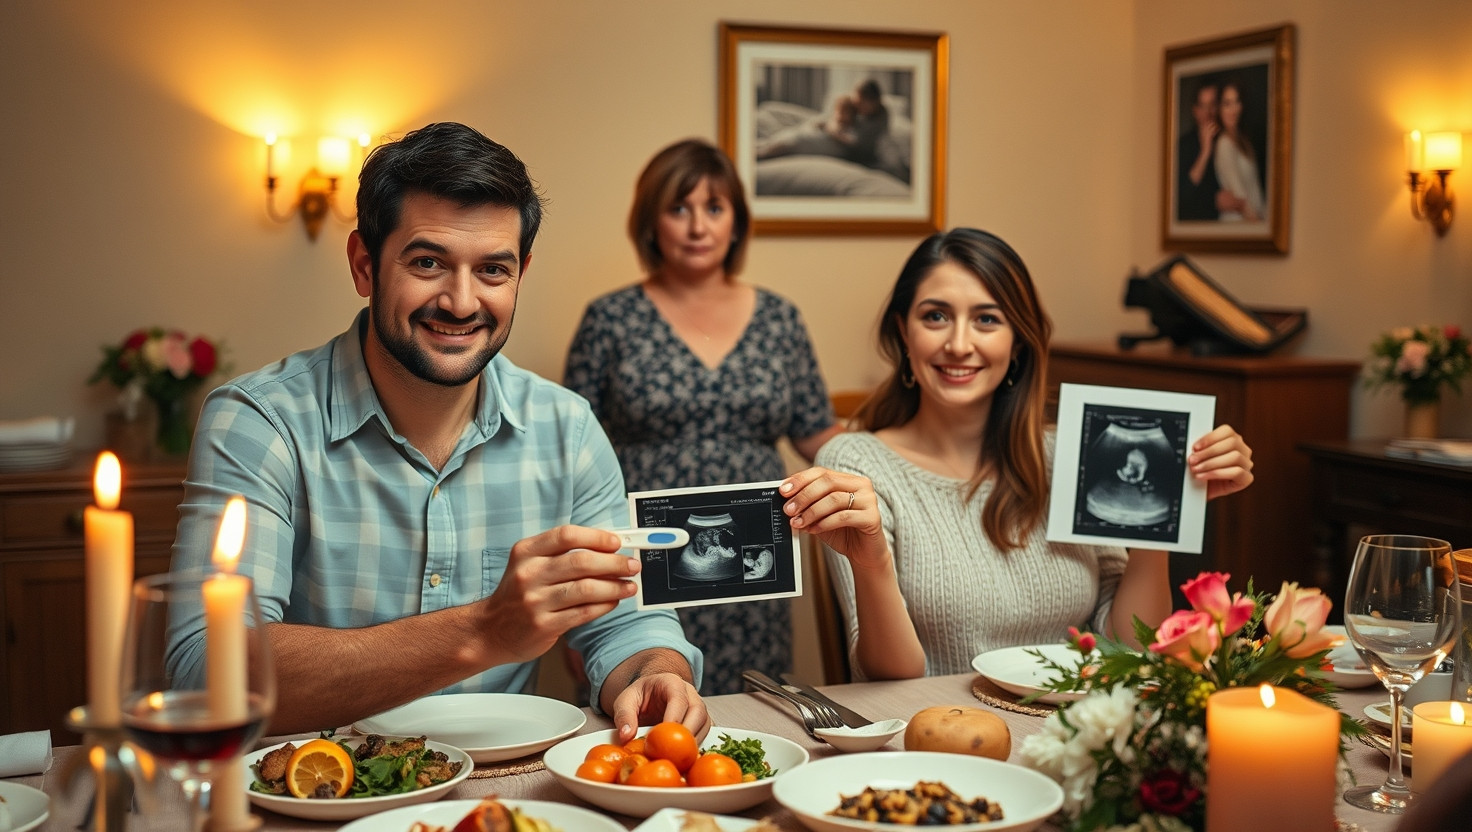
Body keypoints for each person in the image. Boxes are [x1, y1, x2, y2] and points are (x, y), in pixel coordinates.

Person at [167, 122, 706, 740]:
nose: (460, 301)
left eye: (493, 271)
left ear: (521, 273)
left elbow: (625, 625)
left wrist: (656, 672)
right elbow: (205, 674)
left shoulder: (568, 428)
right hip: (317, 793)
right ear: (365, 266)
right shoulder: (259, 422)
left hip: (502, 794)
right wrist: (483, 630)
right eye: (428, 262)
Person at [776, 228, 1255, 680]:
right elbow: (883, 675)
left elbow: (1129, 646)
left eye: (987, 319)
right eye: (935, 316)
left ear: (1018, 341)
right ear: (904, 332)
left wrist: (1158, 515)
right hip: (941, 743)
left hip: (1079, 732)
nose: (959, 344)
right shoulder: (856, 465)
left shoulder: (1071, 453)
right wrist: (874, 557)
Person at [563, 138, 841, 694]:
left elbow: (818, 432)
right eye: (678, 209)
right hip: (647, 561)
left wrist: (908, 448)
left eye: (714, 208)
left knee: (754, 713)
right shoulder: (610, 318)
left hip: (754, 563)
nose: (697, 227)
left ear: (736, 222)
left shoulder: (779, 318)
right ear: (651, 223)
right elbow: (570, 450)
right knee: (646, 706)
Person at [1175, 82, 1246, 222]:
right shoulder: (1185, 144)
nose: (1208, 112)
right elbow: (1182, 195)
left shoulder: (1229, 139)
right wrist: (1205, 152)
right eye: (1203, 106)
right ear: (1195, 110)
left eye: (1212, 104)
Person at [1214, 81, 1266, 222]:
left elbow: (1256, 189)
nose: (1233, 110)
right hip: (1237, 224)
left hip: (1255, 221)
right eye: (1227, 104)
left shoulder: (1245, 142)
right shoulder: (1223, 144)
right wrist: (1258, 225)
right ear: (1219, 108)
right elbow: (1239, 196)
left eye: (1236, 102)